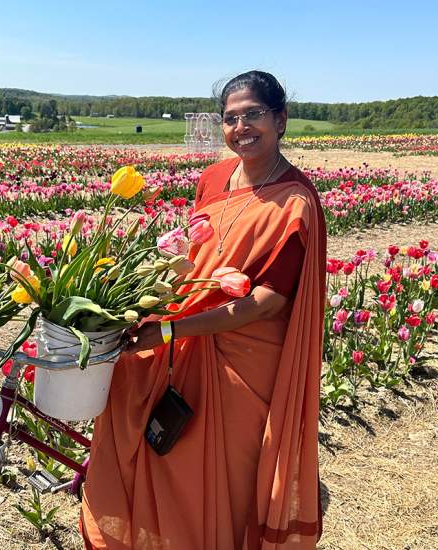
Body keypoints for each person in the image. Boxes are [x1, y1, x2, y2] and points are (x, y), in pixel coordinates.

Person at [81, 70, 327, 549]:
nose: (241, 127)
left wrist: (173, 331)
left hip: (244, 362)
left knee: (222, 476)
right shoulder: (213, 179)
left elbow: (265, 302)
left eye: (253, 114)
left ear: (280, 119)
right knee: (146, 427)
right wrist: (134, 298)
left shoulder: (295, 202)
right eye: (231, 118)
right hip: (186, 329)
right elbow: (190, 256)